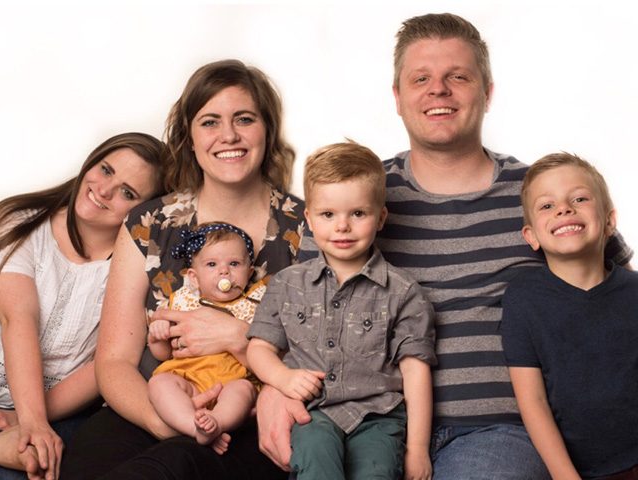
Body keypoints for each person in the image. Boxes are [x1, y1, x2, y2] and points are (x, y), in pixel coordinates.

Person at [255, 13, 633, 479]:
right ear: (397, 97)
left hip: (495, 431)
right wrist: (273, 389)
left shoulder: (544, 196)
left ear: (487, 92)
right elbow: (300, 315)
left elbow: (613, 296)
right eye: (421, 79)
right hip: (364, 421)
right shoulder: (351, 199)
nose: (439, 90)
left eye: (458, 77)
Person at [59, 59, 304, 480]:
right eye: (210, 122)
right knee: (86, 466)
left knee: (174, 465)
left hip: (251, 417)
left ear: (267, 130)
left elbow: (327, 356)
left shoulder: (309, 227)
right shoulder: (149, 223)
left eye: (244, 119)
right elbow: (114, 361)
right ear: (190, 138)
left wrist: (238, 337)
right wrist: (164, 422)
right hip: (153, 404)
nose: (229, 135)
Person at [247, 142, 437, 480]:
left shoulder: (404, 291)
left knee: (377, 471)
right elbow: (259, 347)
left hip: (377, 415)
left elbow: (415, 371)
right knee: (315, 460)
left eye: (358, 214)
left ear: (380, 218)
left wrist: (418, 448)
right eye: (328, 214)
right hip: (313, 411)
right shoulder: (288, 283)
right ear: (309, 219)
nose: (342, 226)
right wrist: (283, 378)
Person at [0, 132, 165, 480]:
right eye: (105, 170)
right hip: (31, 411)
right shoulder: (22, 222)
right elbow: (18, 318)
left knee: (39, 461)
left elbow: (103, 366)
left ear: (145, 212)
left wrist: (28, 421)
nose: (103, 190)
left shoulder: (135, 270)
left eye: (127, 192)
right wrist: (31, 421)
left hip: (59, 408)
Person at [500, 153, 638, 479]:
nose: (564, 209)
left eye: (579, 199)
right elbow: (533, 401)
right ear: (531, 236)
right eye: (547, 205)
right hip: (579, 470)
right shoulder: (523, 298)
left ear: (609, 221)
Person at [147, 222, 262, 452]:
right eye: (211, 264)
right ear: (194, 277)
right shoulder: (182, 302)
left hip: (232, 380)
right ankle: (194, 427)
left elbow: (267, 351)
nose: (224, 271)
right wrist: (157, 335)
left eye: (234, 264)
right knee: (159, 383)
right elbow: (164, 354)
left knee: (243, 390)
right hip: (188, 378)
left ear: (249, 273)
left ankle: (218, 422)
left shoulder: (257, 305)